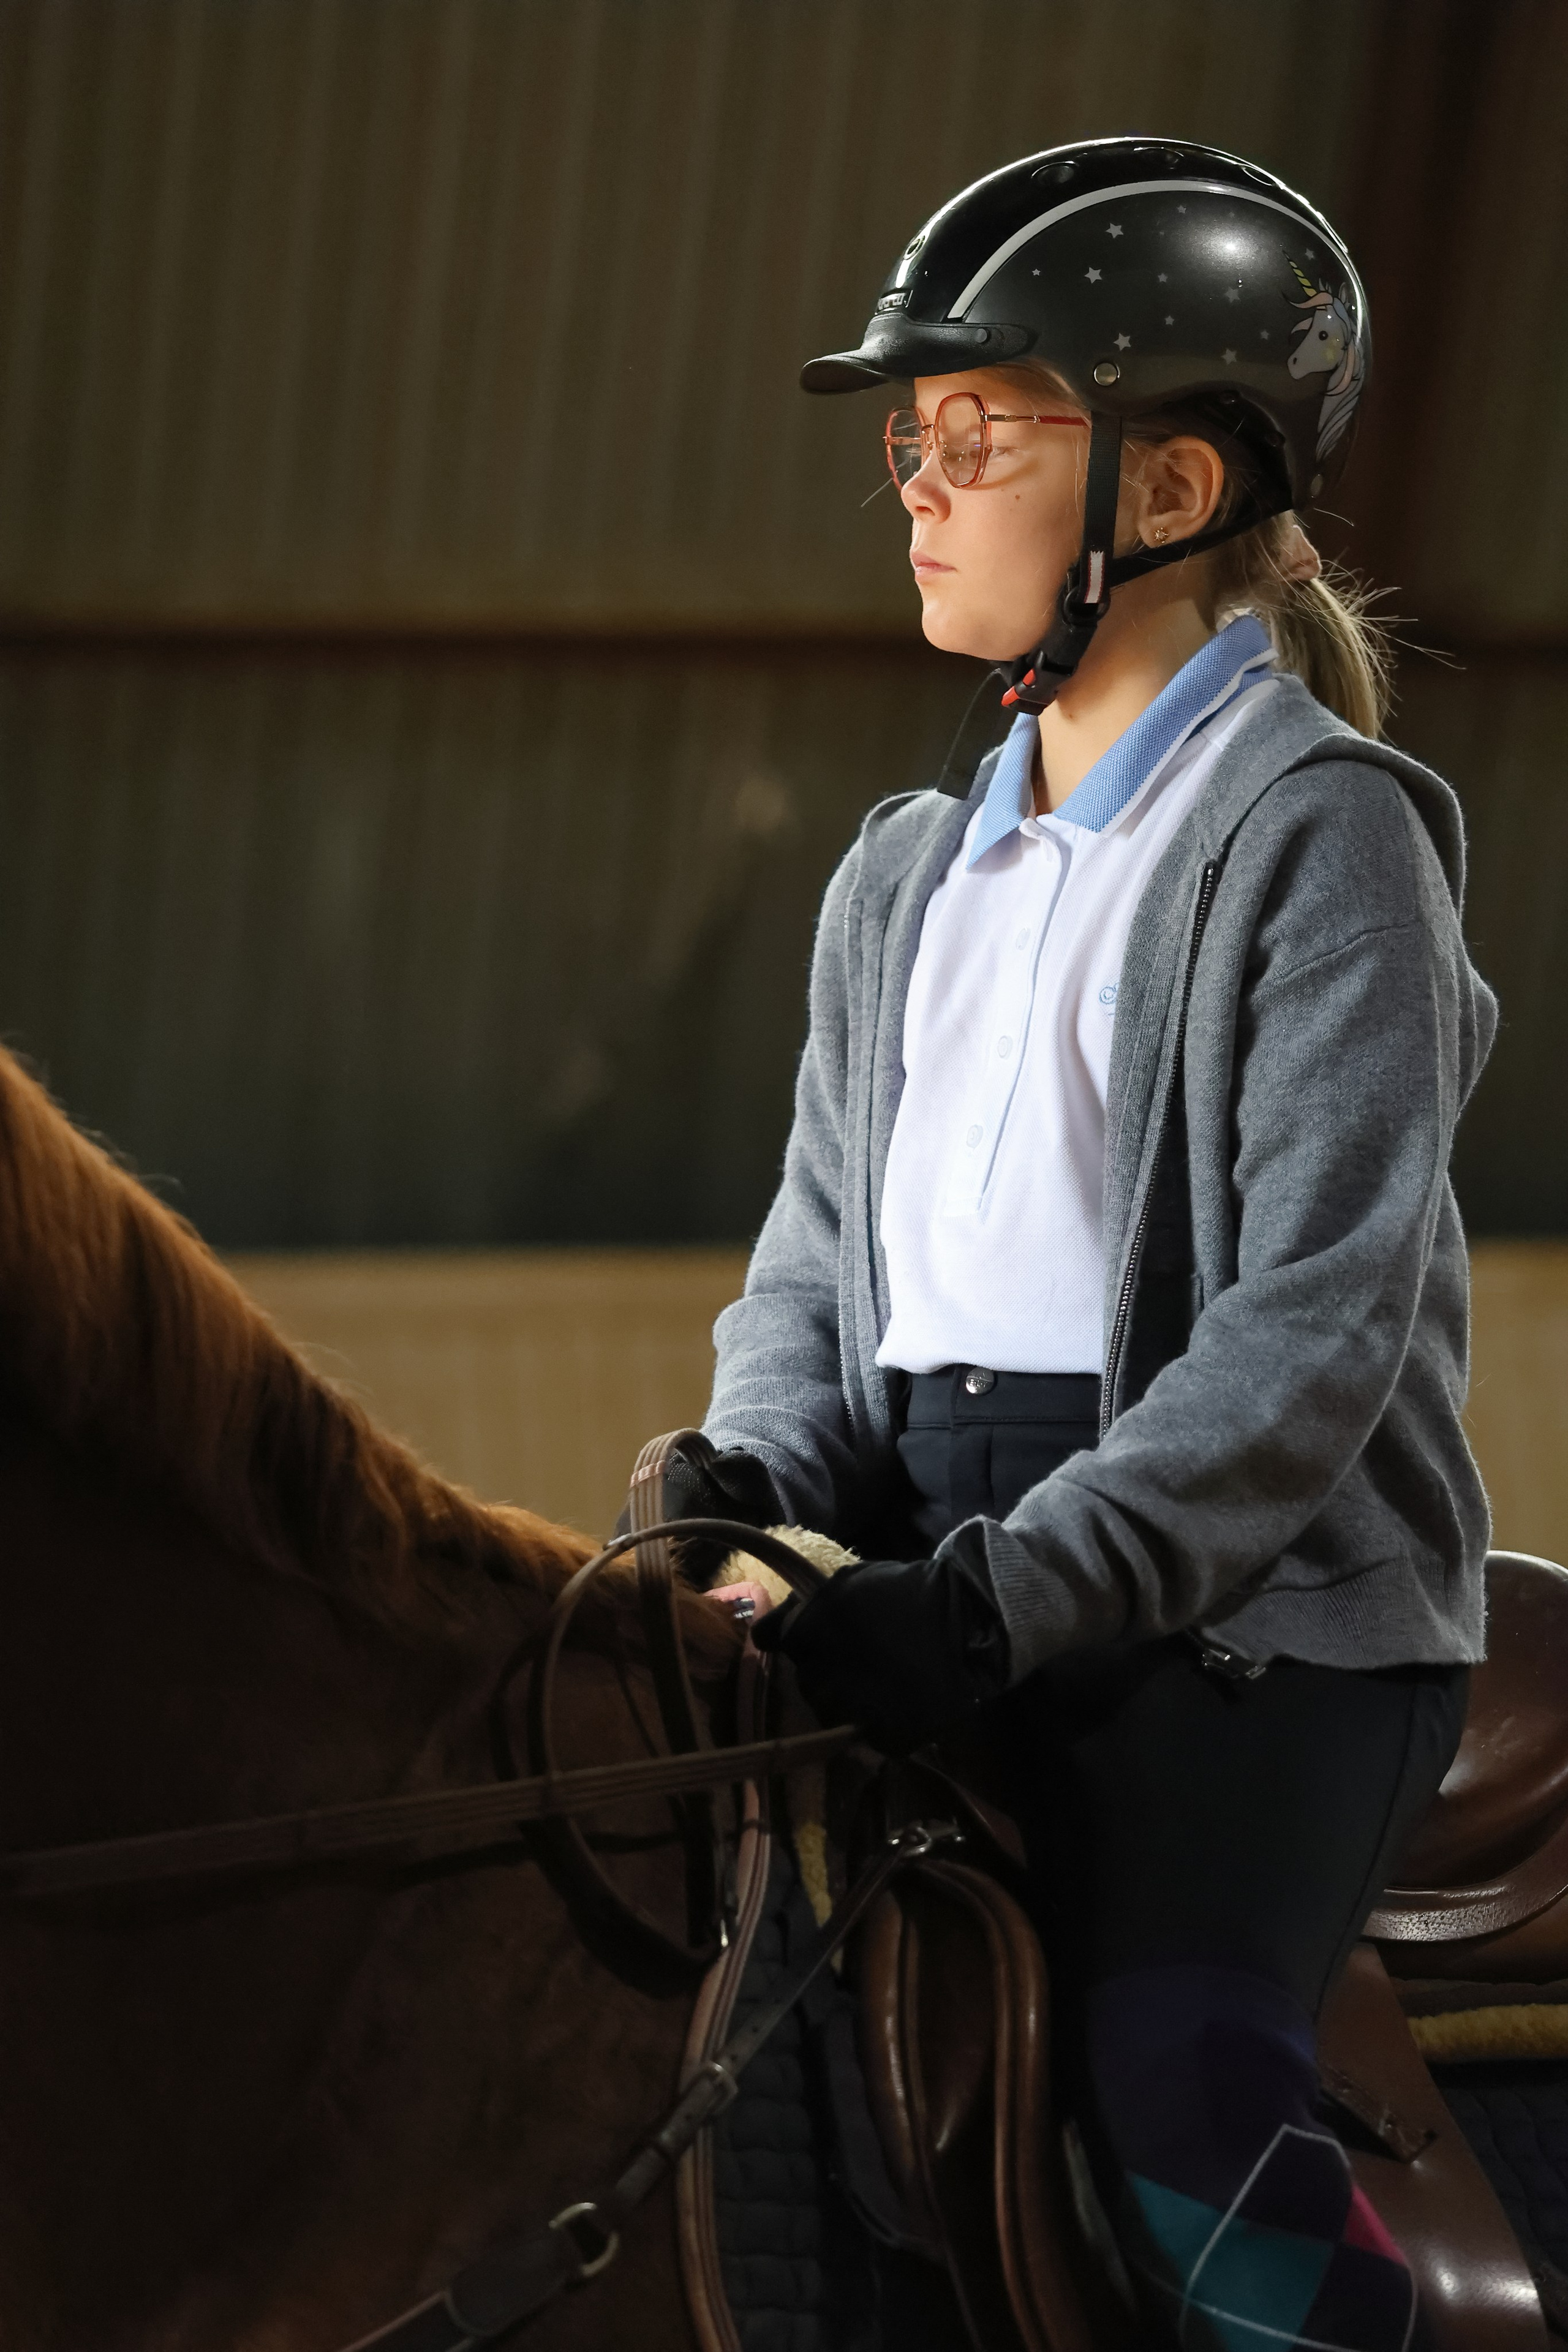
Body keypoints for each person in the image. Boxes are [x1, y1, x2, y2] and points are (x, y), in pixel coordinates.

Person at [660, 138, 1495, 2352]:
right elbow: (816, 1263)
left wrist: (1014, 1595)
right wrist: (751, 1467)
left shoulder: (1323, 841)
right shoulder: (907, 871)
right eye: (909, 448)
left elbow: (1307, 1348)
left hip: (1256, 1624)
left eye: (976, 436)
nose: (915, 489)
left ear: (1165, 483)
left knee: (1174, 2087)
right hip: (938, 1564)